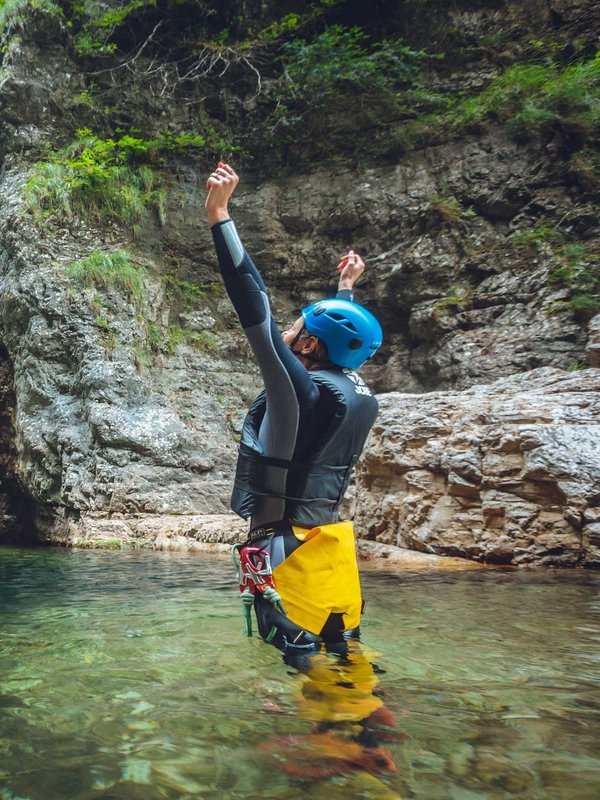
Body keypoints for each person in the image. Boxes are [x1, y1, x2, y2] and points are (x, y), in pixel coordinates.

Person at [205, 163, 382, 655]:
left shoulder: (298, 389)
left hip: (285, 557)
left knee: (306, 688)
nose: (287, 328)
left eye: (298, 325)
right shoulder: (352, 387)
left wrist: (221, 216)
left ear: (308, 345)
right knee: (350, 673)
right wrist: (345, 289)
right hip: (332, 557)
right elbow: (346, 339)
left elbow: (253, 305)